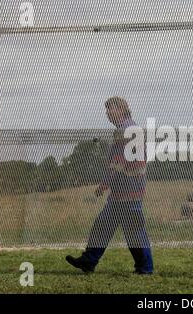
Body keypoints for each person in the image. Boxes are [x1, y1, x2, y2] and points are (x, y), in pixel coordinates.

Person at [66, 96, 154, 275]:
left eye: (110, 109)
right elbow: (117, 161)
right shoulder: (126, 129)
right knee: (105, 225)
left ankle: (145, 268)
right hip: (124, 190)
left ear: (121, 109)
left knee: (134, 232)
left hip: (128, 189)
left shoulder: (128, 130)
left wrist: (106, 183)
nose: (107, 113)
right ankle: (89, 261)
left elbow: (121, 162)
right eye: (106, 110)